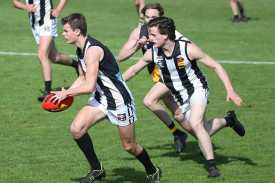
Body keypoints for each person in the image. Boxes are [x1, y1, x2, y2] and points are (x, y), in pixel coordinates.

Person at [122, 16, 245, 178]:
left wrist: (230, 90)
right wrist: (115, 85)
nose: (149, 39)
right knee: (204, 129)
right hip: (180, 95)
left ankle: (212, 167)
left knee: (195, 123)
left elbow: (216, 66)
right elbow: (132, 70)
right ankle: (229, 120)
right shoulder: (153, 53)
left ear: (165, 35)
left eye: (153, 35)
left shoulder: (188, 49)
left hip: (197, 89)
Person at [50, 13, 161, 183]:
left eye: (65, 31)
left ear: (77, 31)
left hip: (119, 101)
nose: (63, 34)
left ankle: (153, 170)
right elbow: (82, 77)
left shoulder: (92, 50)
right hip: (101, 98)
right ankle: (97, 169)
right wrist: (66, 94)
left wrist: (66, 94)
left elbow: (88, 86)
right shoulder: (80, 49)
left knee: (129, 146)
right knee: (77, 129)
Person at [118, 3, 190, 154]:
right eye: (147, 17)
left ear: (161, 18)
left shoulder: (168, 33)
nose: (150, 20)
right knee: (179, 115)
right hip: (159, 79)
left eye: (154, 17)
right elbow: (121, 57)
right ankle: (217, 128)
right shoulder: (139, 32)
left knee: (149, 101)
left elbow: (189, 46)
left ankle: (179, 133)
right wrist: (137, 46)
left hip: (174, 78)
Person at [13, 0, 79, 101]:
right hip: (35, 24)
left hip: (48, 21)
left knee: (41, 55)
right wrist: (25, 7)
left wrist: (58, 9)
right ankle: (77, 65)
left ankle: (47, 92)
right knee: (54, 57)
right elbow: (15, 2)